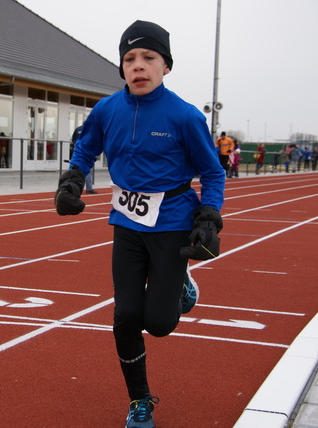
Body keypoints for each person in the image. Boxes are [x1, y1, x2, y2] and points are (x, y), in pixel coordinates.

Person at [54, 21, 225, 428]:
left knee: (160, 324)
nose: (138, 66)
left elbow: (213, 174)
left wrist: (209, 219)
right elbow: (85, 148)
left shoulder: (184, 116)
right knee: (125, 315)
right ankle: (140, 400)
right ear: (122, 67)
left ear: (166, 66)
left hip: (172, 225)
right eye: (129, 59)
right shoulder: (107, 109)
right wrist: (71, 180)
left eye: (149, 58)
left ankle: (183, 283)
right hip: (127, 224)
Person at [71, 125, 97, 194]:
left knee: (75, 171)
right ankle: (89, 188)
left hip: (77, 153)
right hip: (87, 153)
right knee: (88, 172)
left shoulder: (77, 129)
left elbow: (73, 141)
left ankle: (73, 187)